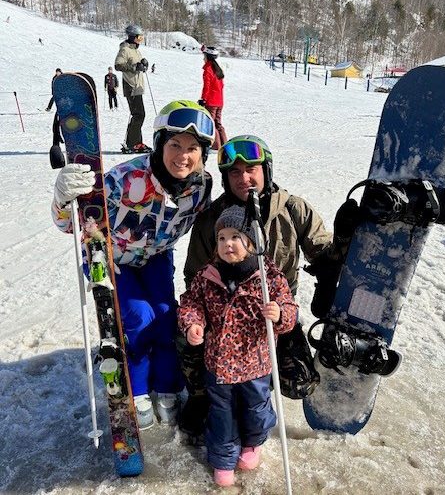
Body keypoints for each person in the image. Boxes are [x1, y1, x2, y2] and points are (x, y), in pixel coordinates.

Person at [179, 135, 359, 439]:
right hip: (222, 316)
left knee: (298, 381)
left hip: (273, 315)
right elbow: (194, 277)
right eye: (234, 172)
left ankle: (254, 385)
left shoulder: (293, 209)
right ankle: (203, 394)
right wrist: (201, 321)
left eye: (251, 169)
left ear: (266, 169)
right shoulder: (212, 219)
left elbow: (325, 258)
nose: (244, 178)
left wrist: (344, 240)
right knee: (184, 339)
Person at [51, 100, 215, 430]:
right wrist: (63, 200)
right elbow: (72, 224)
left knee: (167, 318)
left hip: (155, 256)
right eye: (174, 145)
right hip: (111, 258)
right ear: (159, 144)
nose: (182, 156)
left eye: (192, 148)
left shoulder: (201, 186)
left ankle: (166, 388)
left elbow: (209, 223)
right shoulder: (127, 178)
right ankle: (137, 391)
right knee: (139, 319)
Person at [178, 205, 296, 487]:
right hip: (218, 365)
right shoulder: (208, 276)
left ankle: (252, 444)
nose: (227, 244)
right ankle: (223, 458)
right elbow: (190, 304)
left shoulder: (269, 278)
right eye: (221, 238)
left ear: (252, 243)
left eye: (235, 237)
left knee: (256, 410)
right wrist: (193, 323)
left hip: (256, 364)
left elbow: (290, 309)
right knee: (222, 416)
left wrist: (280, 314)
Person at [115, 24, 151, 154]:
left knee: (138, 115)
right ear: (132, 37)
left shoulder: (134, 49)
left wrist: (143, 62)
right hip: (131, 86)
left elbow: (136, 62)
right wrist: (135, 67)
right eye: (139, 37)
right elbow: (118, 65)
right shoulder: (125, 49)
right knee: (138, 115)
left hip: (137, 86)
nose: (140, 40)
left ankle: (136, 143)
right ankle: (132, 144)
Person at [199, 46, 227, 151]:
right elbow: (221, 85)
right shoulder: (217, 69)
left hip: (211, 101)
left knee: (211, 122)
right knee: (218, 123)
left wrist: (203, 99)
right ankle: (224, 143)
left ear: (208, 57)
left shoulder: (208, 69)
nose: (203, 58)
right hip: (220, 101)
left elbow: (207, 86)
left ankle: (216, 146)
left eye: (204, 56)